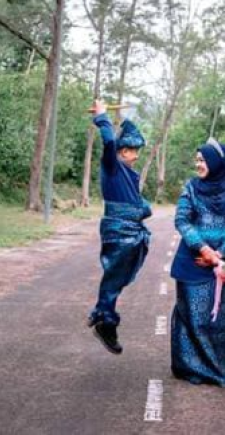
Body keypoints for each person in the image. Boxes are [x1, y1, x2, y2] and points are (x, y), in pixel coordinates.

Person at [169, 138, 225, 387]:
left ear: (217, 162)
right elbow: (182, 220)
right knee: (193, 315)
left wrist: (222, 254)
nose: (198, 164)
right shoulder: (191, 188)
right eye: (196, 160)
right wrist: (205, 249)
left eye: (202, 159)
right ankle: (194, 365)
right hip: (193, 260)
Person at [87, 99, 151, 355]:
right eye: (133, 151)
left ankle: (103, 315)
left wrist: (143, 208)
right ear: (122, 151)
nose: (135, 156)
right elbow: (109, 142)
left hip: (130, 232)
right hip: (119, 232)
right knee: (113, 278)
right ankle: (105, 319)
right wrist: (102, 117)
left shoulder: (128, 174)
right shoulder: (112, 167)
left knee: (118, 277)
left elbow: (133, 201)